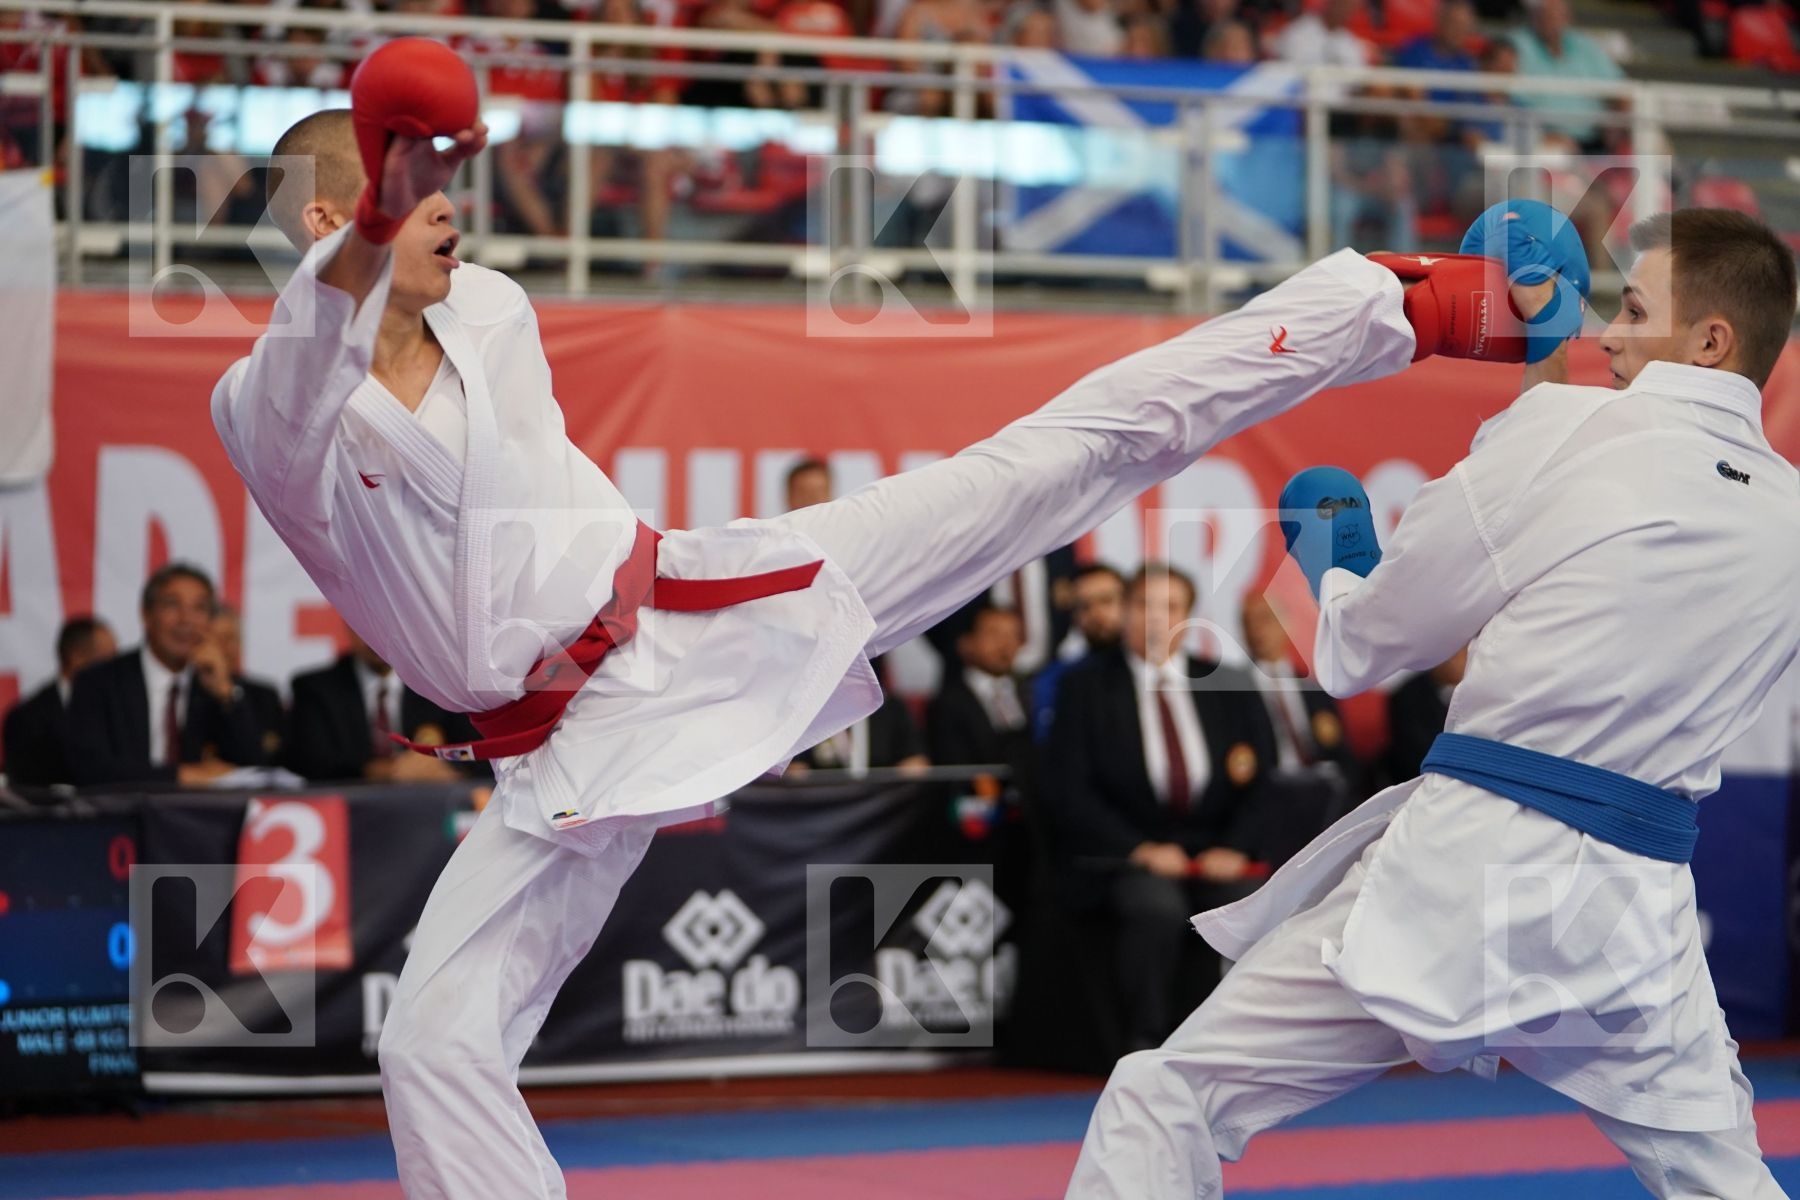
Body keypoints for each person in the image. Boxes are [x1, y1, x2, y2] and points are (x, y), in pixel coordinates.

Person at [211, 44, 1521, 1192]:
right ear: (340, 211)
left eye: (444, 178)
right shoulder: (265, 417)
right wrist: (375, 219)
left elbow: (385, 320)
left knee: (1047, 466)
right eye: (418, 184)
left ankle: (1400, 305)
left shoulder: (491, 308)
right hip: (558, 756)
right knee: (434, 1043)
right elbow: (308, 360)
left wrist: (387, 213)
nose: (451, 209)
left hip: (701, 606)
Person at [1067, 207, 1800, 1198]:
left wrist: (1337, 563)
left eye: (1633, 309)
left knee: (1172, 1094)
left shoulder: (1573, 431)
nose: (1613, 334)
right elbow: (1591, 488)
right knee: (1723, 1180)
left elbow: (1363, 647)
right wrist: (1544, 359)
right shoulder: (1788, 515)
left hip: (1466, 875)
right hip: (1634, 910)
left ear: (1710, 340)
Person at [1048, 564, 1279, 1049]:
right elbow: (1069, 791)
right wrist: (1140, 849)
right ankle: (1148, 1043)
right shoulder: (1085, 688)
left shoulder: (1228, 682)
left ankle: (1246, 1040)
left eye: (1169, 608)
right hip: (1129, 853)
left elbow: (1263, 783)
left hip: (1214, 848)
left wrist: (1235, 847)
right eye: (1143, 606)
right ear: (1126, 612)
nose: (1155, 619)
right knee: (1156, 907)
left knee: (1251, 897)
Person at [64, 564, 267, 787]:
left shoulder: (214, 683)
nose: (186, 620)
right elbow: (89, 769)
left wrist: (225, 693)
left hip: (202, 820)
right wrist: (181, 776)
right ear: (146, 614)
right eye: (172, 604)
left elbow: (253, 770)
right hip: (120, 817)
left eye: (199, 608)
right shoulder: (97, 683)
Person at [286, 625, 481, 783]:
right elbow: (309, 761)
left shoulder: (441, 683)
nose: (375, 635)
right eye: (364, 622)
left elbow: (479, 753)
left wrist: (447, 768)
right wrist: (381, 772)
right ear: (347, 624)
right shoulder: (316, 689)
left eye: (383, 622)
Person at [1240, 593, 1358, 781]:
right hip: (1270, 789)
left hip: (1321, 783)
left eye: (1265, 618)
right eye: (1247, 622)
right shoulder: (1236, 693)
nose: (1256, 629)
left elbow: (1338, 745)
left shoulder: (1315, 688)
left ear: (1286, 625)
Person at [2, 616, 114, 788]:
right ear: (76, 656)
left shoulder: (119, 708)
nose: (115, 667)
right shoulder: (27, 718)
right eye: (108, 657)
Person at [927, 604, 1032, 768]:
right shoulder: (949, 703)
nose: (1005, 644)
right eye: (994, 634)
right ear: (966, 643)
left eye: (1013, 635)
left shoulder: (1033, 690)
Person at [1031, 561, 1125, 739]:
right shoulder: (1057, 679)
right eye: (1084, 606)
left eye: (1106, 601)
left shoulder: (1161, 670)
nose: (1096, 614)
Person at [212, 604, 287, 765]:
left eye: (230, 639)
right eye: (215, 640)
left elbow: (269, 757)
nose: (225, 649)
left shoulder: (264, 695)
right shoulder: (181, 694)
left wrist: (229, 695)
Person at [1384, 644, 1467, 782]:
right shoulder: (1407, 695)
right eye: (1452, 655)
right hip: (1423, 779)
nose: (1457, 662)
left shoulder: (1481, 693)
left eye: (1463, 654)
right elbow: (1412, 751)